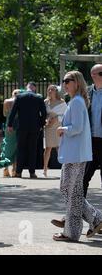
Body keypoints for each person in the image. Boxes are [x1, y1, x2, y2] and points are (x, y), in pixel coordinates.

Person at [52, 71, 102, 241]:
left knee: (72, 192)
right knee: (70, 190)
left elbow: (77, 127)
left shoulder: (77, 102)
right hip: (74, 154)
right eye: (64, 80)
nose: (64, 83)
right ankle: (96, 218)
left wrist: (62, 129)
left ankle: (72, 232)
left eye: (68, 80)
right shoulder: (75, 101)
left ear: (77, 83)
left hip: (76, 155)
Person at [7, 82, 47, 178]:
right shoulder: (39, 97)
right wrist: (41, 124)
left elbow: (13, 112)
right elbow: (44, 113)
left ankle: (18, 172)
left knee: (21, 148)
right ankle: (32, 172)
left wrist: (10, 124)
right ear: (34, 88)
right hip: (35, 127)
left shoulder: (20, 97)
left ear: (27, 87)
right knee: (32, 149)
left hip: (22, 126)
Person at [83, 64, 102, 197]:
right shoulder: (87, 93)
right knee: (82, 179)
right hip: (90, 142)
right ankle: (74, 214)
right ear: (93, 75)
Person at [43, 85, 67, 177]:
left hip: (58, 126)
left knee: (59, 147)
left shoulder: (62, 102)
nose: (50, 91)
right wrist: (45, 120)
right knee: (47, 148)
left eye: (52, 89)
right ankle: (45, 169)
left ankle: (64, 169)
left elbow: (66, 116)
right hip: (48, 127)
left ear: (56, 91)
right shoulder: (45, 102)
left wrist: (57, 119)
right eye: (48, 89)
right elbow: (43, 114)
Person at [0, 89, 22, 177]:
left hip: (9, 125)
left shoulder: (7, 101)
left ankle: (5, 169)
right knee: (16, 146)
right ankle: (14, 169)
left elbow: (4, 114)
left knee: (7, 146)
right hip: (18, 126)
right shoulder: (21, 102)